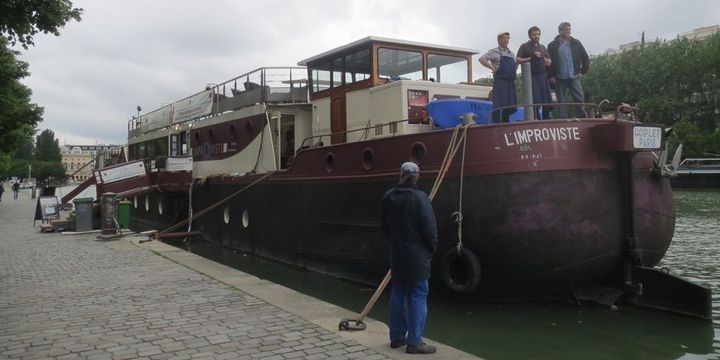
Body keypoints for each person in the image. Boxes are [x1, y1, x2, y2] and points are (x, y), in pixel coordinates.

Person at [381, 162, 438, 354]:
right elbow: (430, 230)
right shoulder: (421, 198)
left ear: (401, 174)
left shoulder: (388, 197)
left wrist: (396, 244)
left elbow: (385, 227)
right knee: (418, 293)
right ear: (417, 176)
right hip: (418, 256)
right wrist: (430, 251)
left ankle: (397, 337)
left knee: (398, 292)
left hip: (397, 253)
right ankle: (414, 342)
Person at [547, 22, 590, 118]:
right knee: (561, 101)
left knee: (579, 98)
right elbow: (548, 63)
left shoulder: (576, 43)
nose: (568, 31)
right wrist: (551, 76)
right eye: (566, 29)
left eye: (569, 29)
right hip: (559, 77)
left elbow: (585, 58)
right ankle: (563, 120)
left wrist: (582, 71)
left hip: (574, 75)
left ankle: (582, 117)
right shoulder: (552, 45)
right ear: (560, 31)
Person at [479, 32, 518, 123]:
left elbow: (515, 65)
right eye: (504, 38)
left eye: (508, 38)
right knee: (499, 105)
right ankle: (495, 124)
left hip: (510, 83)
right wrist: (492, 68)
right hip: (500, 82)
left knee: (509, 106)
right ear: (499, 40)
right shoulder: (494, 51)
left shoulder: (511, 53)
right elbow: (481, 59)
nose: (506, 40)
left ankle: (505, 123)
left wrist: (513, 71)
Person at [516, 26, 553, 120]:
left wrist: (541, 57)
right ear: (529, 36)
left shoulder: (543, 47)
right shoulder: (524, 46)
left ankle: (546, 119)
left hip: (542, 77)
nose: (536, 36)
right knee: (534, 100)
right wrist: (531, 58)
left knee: (546, 100)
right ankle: (536, 119)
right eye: (534, 34)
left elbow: (549, 62)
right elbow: (517, 59)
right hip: (531, 77)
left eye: (538, 34)